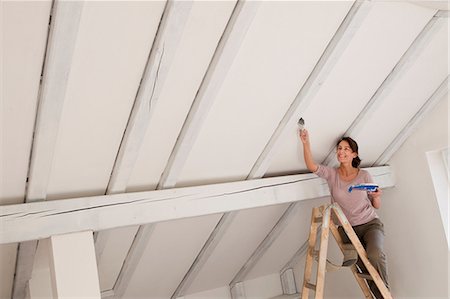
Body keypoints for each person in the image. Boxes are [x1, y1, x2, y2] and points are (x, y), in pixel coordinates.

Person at [299, 128, 389, 299]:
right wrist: (306, 143)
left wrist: (377, 196)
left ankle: (385, 294)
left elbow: (376, 205)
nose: (341, 151)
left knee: (375, 255)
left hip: (370, 224)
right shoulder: (332, 174)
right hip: (348, 230)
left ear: (354, 154)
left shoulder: (364, 175)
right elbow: (312, 166)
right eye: (339, 148)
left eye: (346, 149)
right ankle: (380, 296)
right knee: (363, 266)